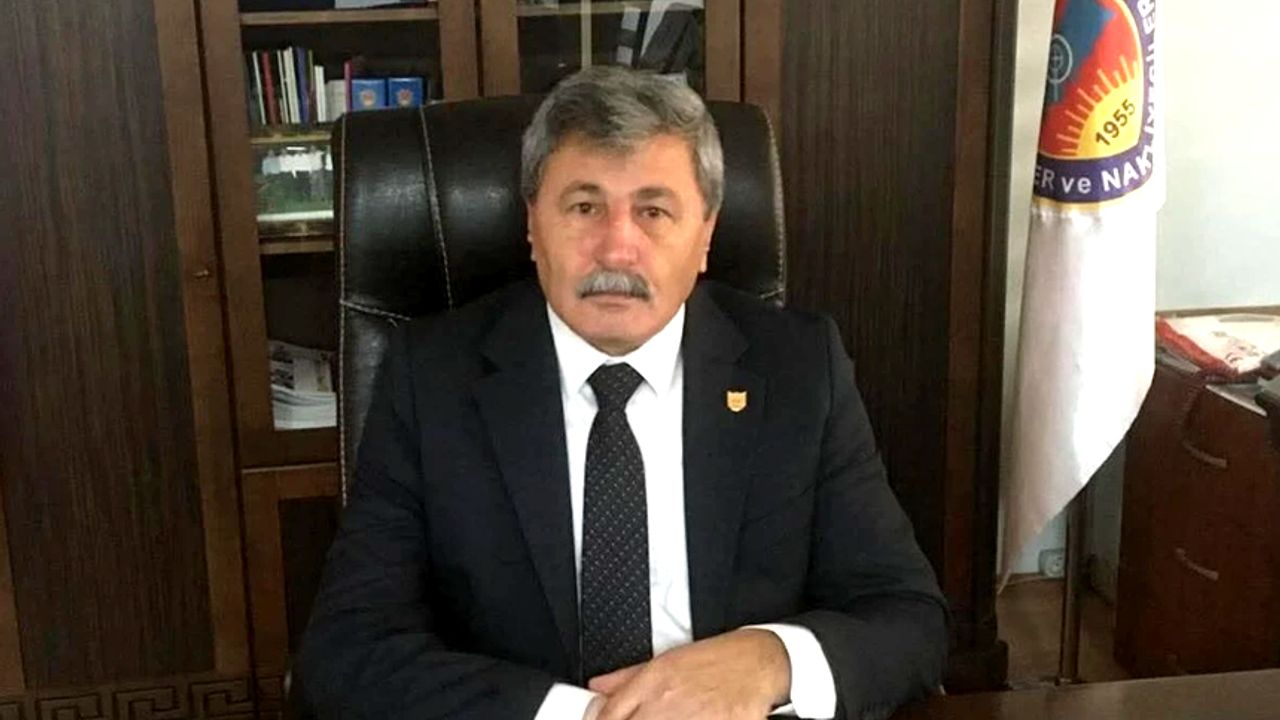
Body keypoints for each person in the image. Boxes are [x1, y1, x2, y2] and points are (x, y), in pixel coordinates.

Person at [297, 65, 947, 720]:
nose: (616, 249)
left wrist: (768, 659)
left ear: (706, 235)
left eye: (653, 211)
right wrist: (583, 716)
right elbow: (347, 650)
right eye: (584, 207)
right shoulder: (432, 377)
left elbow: (909, 620)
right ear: (532, 225)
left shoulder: (799, 368)